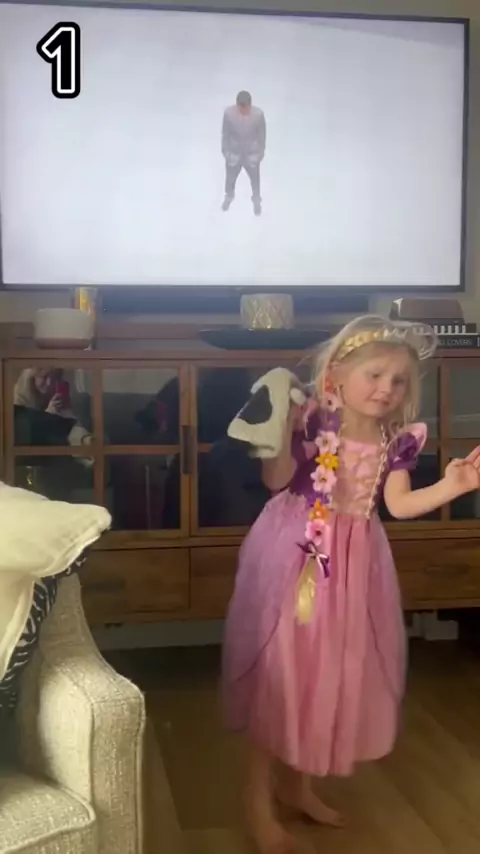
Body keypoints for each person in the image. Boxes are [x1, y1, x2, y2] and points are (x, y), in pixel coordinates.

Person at [222, 315, 480, 854]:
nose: (387, 389)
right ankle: (255, 799)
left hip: (355, 564)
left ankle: (298, 786)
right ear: (337, 376)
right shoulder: (314, 420)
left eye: (399, 381)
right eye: (375, 375)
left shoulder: (396, 441)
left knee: (325, 668)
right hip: (295, 553)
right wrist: (281, 433)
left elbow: (399, 505)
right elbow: (275, 481)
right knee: (284, 669)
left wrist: (453, 485)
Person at [221, 90, 266, 216]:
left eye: (245, 107)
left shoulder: (258, 115)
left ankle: (256, 200)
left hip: (251, 154)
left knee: (255, 180)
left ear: (250, 105)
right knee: (230, 179)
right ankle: (229, 196)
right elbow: (225, 134)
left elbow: (261, 136)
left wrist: (259, 154)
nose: (243, 110)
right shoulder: (229, 114)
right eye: (241, 107)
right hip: (234, 154)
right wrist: (226, 152)